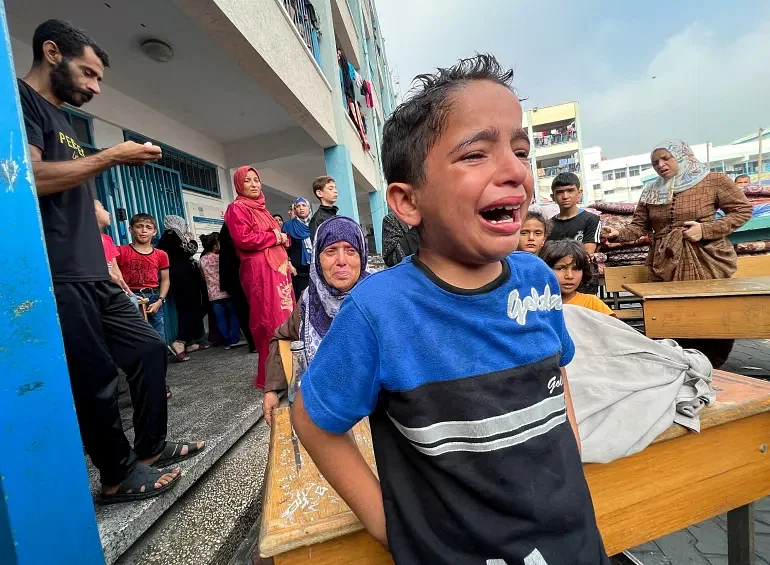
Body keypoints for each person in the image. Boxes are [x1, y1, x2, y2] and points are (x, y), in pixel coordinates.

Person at [290, 54, 608, 564]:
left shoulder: (537, 278)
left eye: (520, 150)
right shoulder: (380, 310)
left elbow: (557, 378)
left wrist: (570, 457)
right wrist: (387, 524)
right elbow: (312, 419)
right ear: (408, 201)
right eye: (476, 154)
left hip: (572, 541)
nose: (515, 172)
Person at [20, 19, 203, 502]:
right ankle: (117, 474)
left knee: (147, 350)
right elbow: (30, 177)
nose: (96, 87)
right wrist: (110, 157)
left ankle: (149, 450)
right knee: (95, 377)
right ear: (52, 52)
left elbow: (66, 181)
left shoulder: (62, 118)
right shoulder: (21, 100)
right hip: (61, 272)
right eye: (89, 73)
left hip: (96, 272)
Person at [603, 139, 752, 368]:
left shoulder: (713, 181)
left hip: (706, 257)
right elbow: (639, 226)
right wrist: (618, 234)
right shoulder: (652, 190)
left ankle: (713, 366)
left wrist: (705, 230)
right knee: (670, 314)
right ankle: (680, 368)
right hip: (665, 261)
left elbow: (742, 210)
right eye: (655, 162)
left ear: (682, 156)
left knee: (710, 312)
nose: (660, 165)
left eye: (666, 158)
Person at [263, 216, 369, 425]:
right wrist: (273, 389)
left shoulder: (379, 297)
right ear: (317, 259)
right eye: (330, 251)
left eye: (351, 250)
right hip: (326, 418)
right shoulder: (309, 301)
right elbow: (281, 338)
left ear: (362, 256)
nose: (341, 260)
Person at [224, 166, 294, 389]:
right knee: (269, 321)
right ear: (239, 185)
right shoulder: (237, 208)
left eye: (256, 180)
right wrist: (275, 236)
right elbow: (244, 238)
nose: (254, 184)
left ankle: (290, 370)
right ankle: (273, 377)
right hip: (260, 273)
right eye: (248, 181)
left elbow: (284, 238)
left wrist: (279, 238)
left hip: (279, 272)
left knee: (286, 318)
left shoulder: (263, 210)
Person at [157, 215, 210, 361]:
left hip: (178, 278)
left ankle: (191, 342)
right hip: (184, 279)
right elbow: (189, 250)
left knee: (186, 309)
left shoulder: (167, 238)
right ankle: (180, 342)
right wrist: (192, 239)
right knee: (193, 308)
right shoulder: (173, 234)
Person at [116, 213, 170, 339]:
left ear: (154, 231)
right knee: (134, 336)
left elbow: (165, 280)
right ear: (131, 229)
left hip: (154, 297)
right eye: (139, 226)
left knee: (158, 336)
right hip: (130, 297)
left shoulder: (161, 255)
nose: (144, 230)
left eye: (148, 227)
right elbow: (114, 276)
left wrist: (159, 301)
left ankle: (158, 359)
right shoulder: (120, 251)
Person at [541, 240, 615, 317]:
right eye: (560, 268)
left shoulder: (591, 303)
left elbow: (613, 327)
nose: (569, 276)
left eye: (576, 269)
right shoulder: (535, 304)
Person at [199, 233, 246, 350]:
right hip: (226, 291)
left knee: (220, 318)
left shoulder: (202, 260)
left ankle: (227, 341)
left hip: (213, 294)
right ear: (215, 246)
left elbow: (203, 278)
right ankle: (235, 339)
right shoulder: (220, 258)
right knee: (233, 315)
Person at [218, 223, 256, 353]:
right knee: (249, 310)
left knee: (242, 311)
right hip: (242, 276)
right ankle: (255, 341)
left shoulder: (225, 237)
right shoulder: (238, 234)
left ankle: (253, 342)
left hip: (233, 280)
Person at [547, 172, 601, 255]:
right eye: (559, 192)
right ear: (553, 197)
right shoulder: (548, 225)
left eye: (570, 190)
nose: (565, 196)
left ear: (579, 193)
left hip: (580, 267)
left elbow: (586, 255)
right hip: (554, 268)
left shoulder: (591, 220)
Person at [94, 199, 132, 295]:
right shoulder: (85, 241)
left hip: (114, 289)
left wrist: (126, 292)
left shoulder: (107, 239)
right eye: (103, 208)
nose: (108, 213)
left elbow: (115, 268)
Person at [282, 197, 313, 298]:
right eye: (298, 206)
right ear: (295, 210)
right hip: (298, 271)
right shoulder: (288, 226)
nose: (301, 208)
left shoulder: (314, 224)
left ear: (309, 208)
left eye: (304, 205)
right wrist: (289, 264)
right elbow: (283, 249)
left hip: (315, 268)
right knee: (301, 299)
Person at [308, 175, 339, 240]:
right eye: (330, 188)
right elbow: (317, 245)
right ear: (319, 193)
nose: (335, 191)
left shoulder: (334, 215)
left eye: (335, 188)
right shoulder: (317, 219)